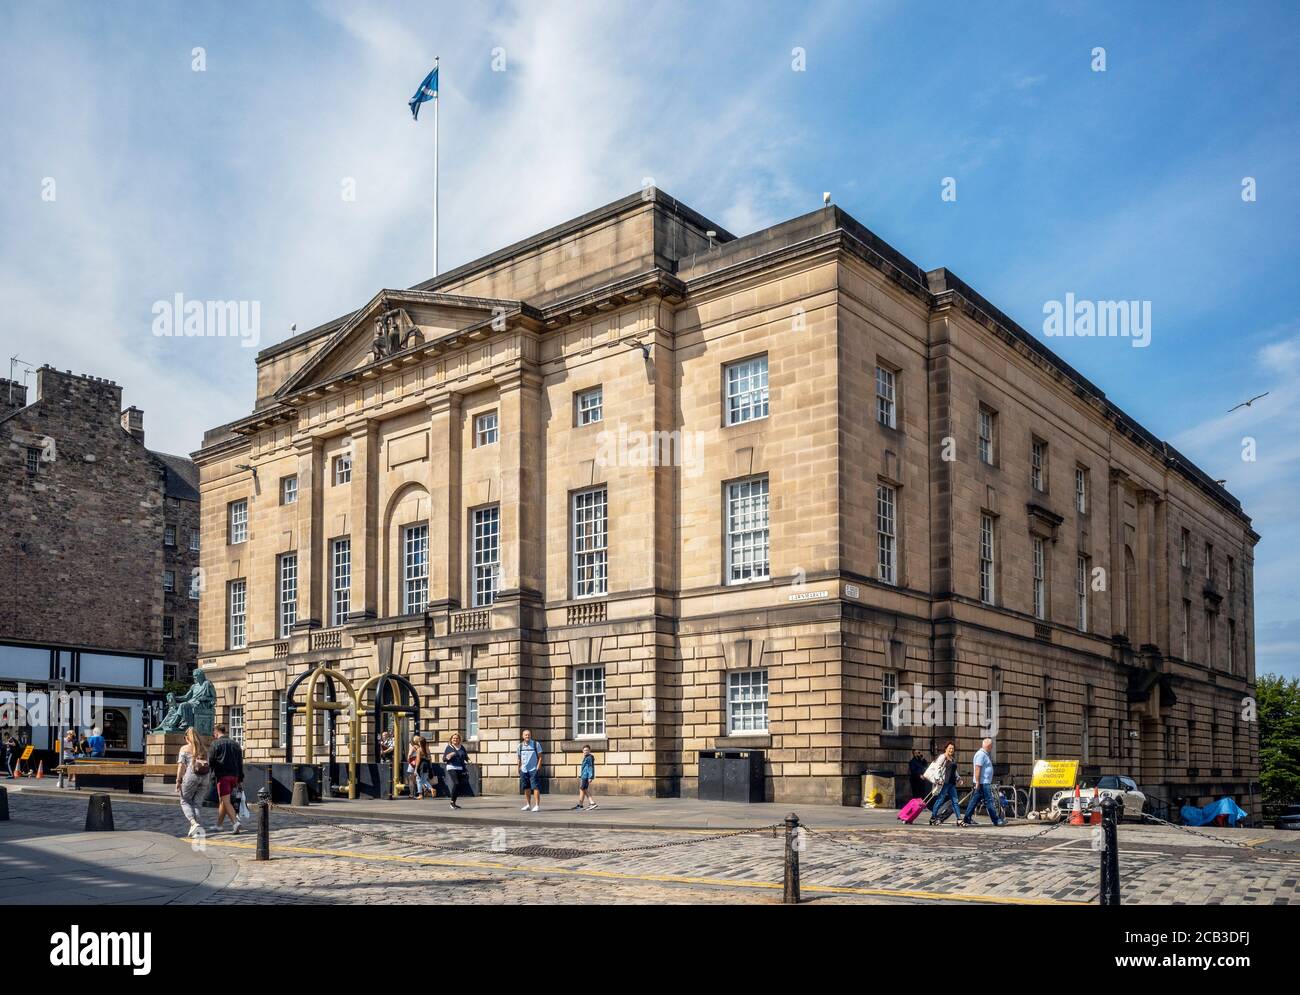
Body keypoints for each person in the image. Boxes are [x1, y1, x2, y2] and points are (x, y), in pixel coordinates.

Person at [207, 723, 245, 833]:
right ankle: (219, 825)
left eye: (213, 732)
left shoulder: (215, 744)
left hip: (223, 776)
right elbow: (240, 762)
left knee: (226, 801)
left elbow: (211, 761)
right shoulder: (235, 744)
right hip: (235, 776)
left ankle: (235, 822)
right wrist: (240, 779)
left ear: (216, 732)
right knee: (223, 800)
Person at [961, 737, 1006, 827]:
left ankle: (967, 818)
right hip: (982, 783)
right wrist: (977, 782)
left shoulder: (984, 754)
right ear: (988, 746)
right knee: (989, 801)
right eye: (991, 746)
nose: (992, 748)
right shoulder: (981, 755)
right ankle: (996, 820)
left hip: (983, 782)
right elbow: (977, 768)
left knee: (974, 801)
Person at [175, 727, 210, 837]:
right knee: (197, 803)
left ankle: (194, 823)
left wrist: (178, 781)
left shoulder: (184, 749)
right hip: (205, 777)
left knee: (184, 801)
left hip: (191, 777)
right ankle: (196, 830)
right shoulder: (204, 749)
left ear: (187, 737)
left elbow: (181, 766)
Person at [928, 742, 964, 827]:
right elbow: (937, 768)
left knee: (955, 801)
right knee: (940, 800)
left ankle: (959, 819)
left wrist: (958, 778)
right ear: (946, 748)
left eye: (952, 748)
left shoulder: (952, 759)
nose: (951, 750)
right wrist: (938, 779)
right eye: (950, 748)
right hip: (944, 783)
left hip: (951, 783)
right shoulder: (942, 757)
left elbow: (954, 771)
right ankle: (933, 818)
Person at [518, 729, 543, 812]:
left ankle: (537, 805)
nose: (527, 736)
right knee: (526, 788)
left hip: (533, 770)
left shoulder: (536, 744)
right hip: (524, 770)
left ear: (530, 735)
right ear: (522, 736)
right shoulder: (520, 746)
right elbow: (519, 758)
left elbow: (540, 757)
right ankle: (528, 805)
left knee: (535, 787)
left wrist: (538, 768)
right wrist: (519, 768)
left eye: (528, 735)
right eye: (525, 735)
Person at [443, 733, 468, 809]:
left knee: (459, 785)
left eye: (457, 738)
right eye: (454, 738)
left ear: (459, 740)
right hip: (451, 767)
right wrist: (448, 756)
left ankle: (453, 802)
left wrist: (466, 761)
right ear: (451, 739)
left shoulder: (462, 747)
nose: (455, 740)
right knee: (456, 783)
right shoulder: (449, 747)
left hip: (460, 767)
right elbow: (444, 759)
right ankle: (451, 802)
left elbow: (465, 757)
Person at [573, 744, 598, 811]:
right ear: (582, 751)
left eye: (587, 750)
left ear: (589, 750)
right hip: (584, 775)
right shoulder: (586, 757)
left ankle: (592, 802)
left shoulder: (589, 757)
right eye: (584, 750)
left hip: (586, 776)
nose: (585, 751)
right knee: (582, 788)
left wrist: (590, 777)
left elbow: (590, 767)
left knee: (584, 789)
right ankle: (580, 804)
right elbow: (585, 768)